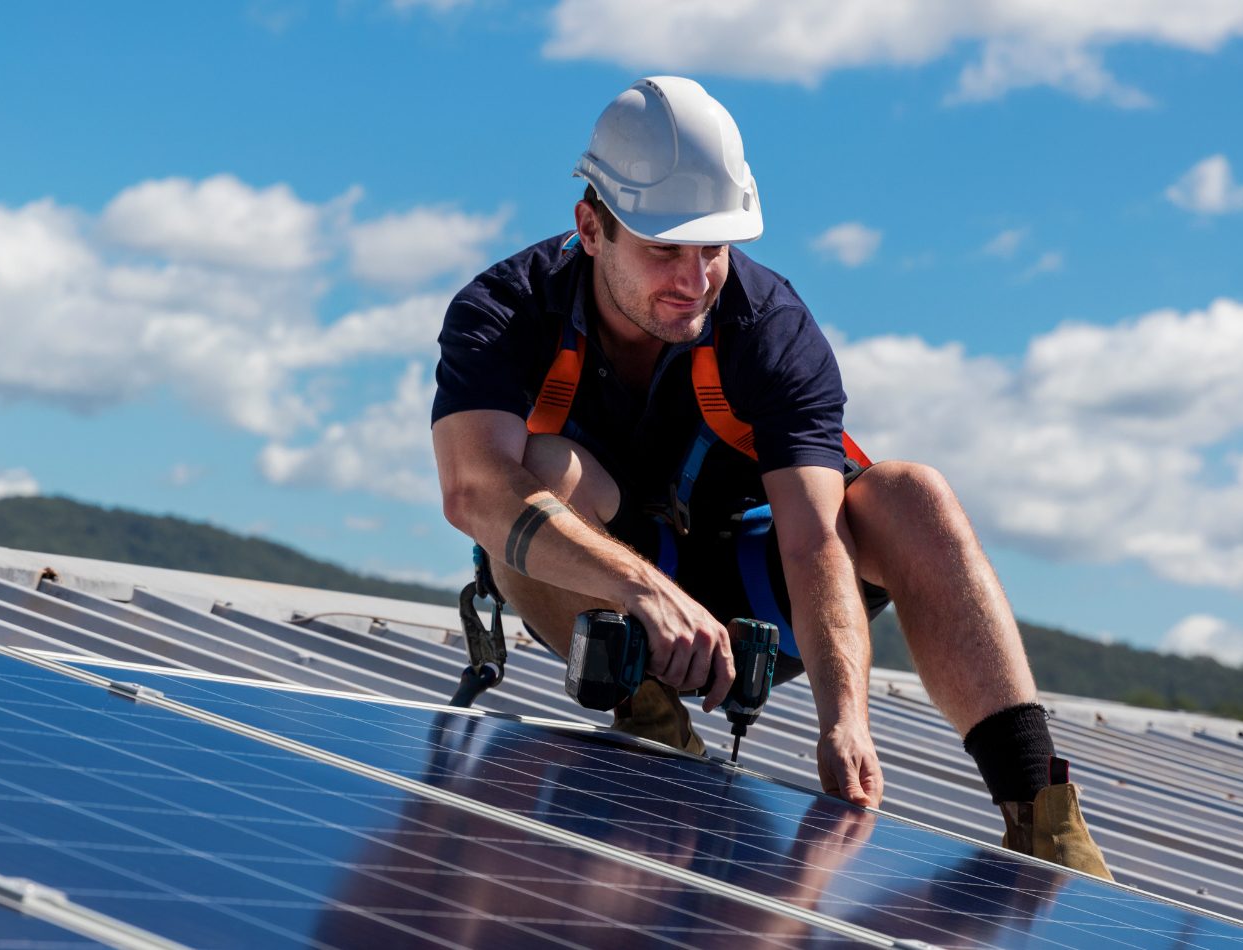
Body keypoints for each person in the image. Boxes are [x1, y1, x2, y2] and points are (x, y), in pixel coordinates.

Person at [429, 76, 1111, 877]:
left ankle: (1042, 815)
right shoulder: (508, 310)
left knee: (909, 493)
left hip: (762, 593)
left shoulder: (770, 328)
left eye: (713, 248)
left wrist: (844, 719)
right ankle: (649, 721)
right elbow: (471, 488)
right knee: (534, 471)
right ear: (590, 227)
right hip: (612, 607)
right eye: (663, 251)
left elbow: (816, 538)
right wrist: (644, 594)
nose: (694, 280)